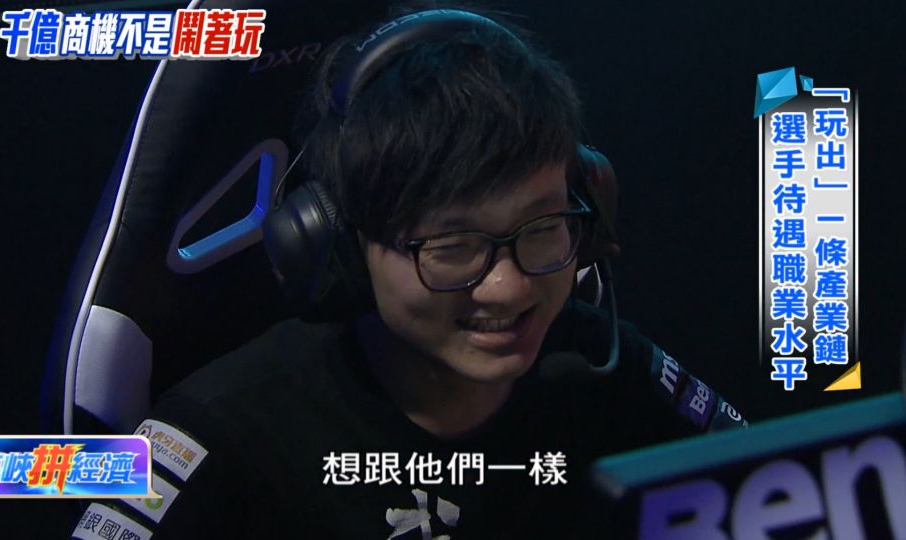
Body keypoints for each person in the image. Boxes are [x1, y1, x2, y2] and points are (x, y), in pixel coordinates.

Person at [70, 5, 746, 539]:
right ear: (343, 245)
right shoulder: (216, 434)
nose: (510, 288)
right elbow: (5, 477)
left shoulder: (600, 367)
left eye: (543, 228)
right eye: (452, 247)